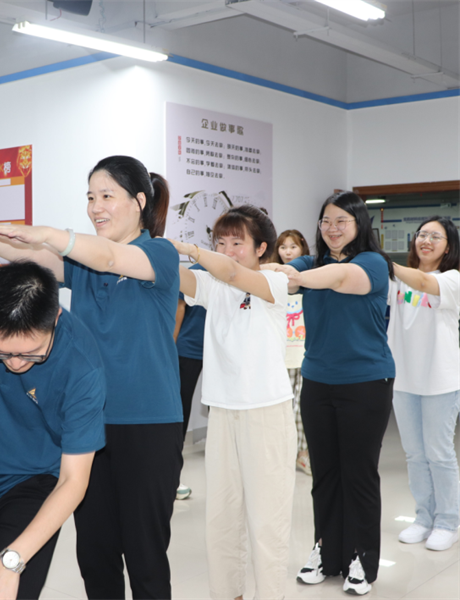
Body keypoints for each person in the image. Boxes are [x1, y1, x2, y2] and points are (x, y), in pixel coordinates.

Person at [0, 155, 183, 600]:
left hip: (148, 426)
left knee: (145, 552)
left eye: (107, 196)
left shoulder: (159, 254)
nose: (96, 207)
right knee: (95, 553)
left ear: (139, 201)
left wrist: (52, 234)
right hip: (86, 424)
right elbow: (27, 255)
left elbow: (111, 256)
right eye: (90, 197)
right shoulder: (83, 263)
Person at [0, 260, 106, 600]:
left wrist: (11, 562)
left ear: (54, 318)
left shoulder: (82, 367)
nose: (15, 363)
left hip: (35, 480)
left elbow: (73, 481)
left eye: (31, 354)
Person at [270, 191, 395, 596]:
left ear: (359, 224)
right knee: (324, 474)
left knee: (358, 474)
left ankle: (362, 557)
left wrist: (295, 277)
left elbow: (341, 279)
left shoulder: (372, 263)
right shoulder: (310, 263)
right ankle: (326, 550)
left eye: (342, 220)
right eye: (326, 221)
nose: (332, 228)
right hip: (318, 381)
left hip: (366, 382)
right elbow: (281, 273)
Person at [171, 205, 296, 600]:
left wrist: (190, 249)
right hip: (223, 412)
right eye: (220, 242)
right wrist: (150, 250)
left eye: (236, 243)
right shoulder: (214, 285)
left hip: (266, 412)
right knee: (222, 517)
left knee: (267, 521)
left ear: (261, 248)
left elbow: (230, 272)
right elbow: (176, 275)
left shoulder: (275, 283)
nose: (226, 250)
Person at [387, 217, 460, 552]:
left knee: (439, 454)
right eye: (422, 234)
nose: (426, 240)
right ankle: (424, 517)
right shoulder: (398, 280)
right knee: (415, 454)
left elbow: (421, 281)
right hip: (404, 379)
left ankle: (448, 521)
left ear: (448, 247)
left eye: (435, 236)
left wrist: (384, 262)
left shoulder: (451, 279)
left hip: (440, 381)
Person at [275, 229, 311, 475]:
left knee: (303, 407)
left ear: (302, 249)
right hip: (282, 356)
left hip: (306, 355)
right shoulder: (273, 281)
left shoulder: (311, 281)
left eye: (293, 247)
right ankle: (285, 454)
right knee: (285, 409)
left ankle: (303, 454)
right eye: (283, 247)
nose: (287, 252)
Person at [173, 262, 207, 500]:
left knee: (224, 416)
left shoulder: (240, 271)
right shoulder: (195, 271)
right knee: (179, 415)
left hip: (222, 352)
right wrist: (170, 346)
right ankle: (171, 477)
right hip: (188, 350)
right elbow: (179, 308)